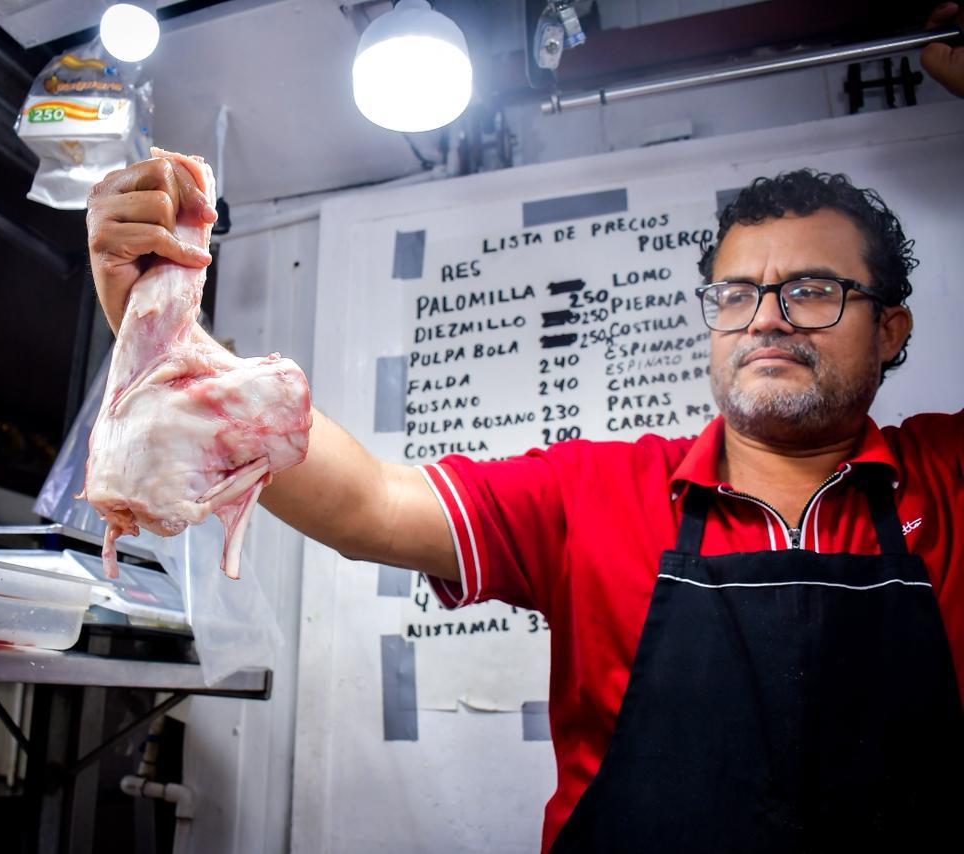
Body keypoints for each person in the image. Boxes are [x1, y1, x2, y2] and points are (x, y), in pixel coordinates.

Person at [83, 21, 964, 854]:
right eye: (736, 294)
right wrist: (161, 330)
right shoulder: (595, 493)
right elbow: (368, 504)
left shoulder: (950, 476)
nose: (765, 320)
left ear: (890, 329)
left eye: (812, 290)